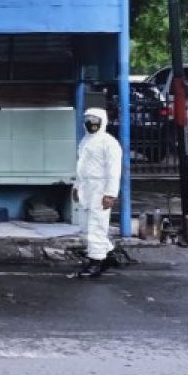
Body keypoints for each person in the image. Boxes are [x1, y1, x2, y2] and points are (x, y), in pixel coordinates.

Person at [71, 107, 123, 279]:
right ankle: (108, 254)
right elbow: (81, 167)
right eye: (88, 119)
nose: (91, 123)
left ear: (103, 121)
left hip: (100, 188)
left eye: (95, 119)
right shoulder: (85, 141)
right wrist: (77, 187)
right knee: (86, 226)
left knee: (97, 226)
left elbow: (114, 171)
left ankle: (96, 262)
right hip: (87, 187)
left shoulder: (109, 143)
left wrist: (110, 194)